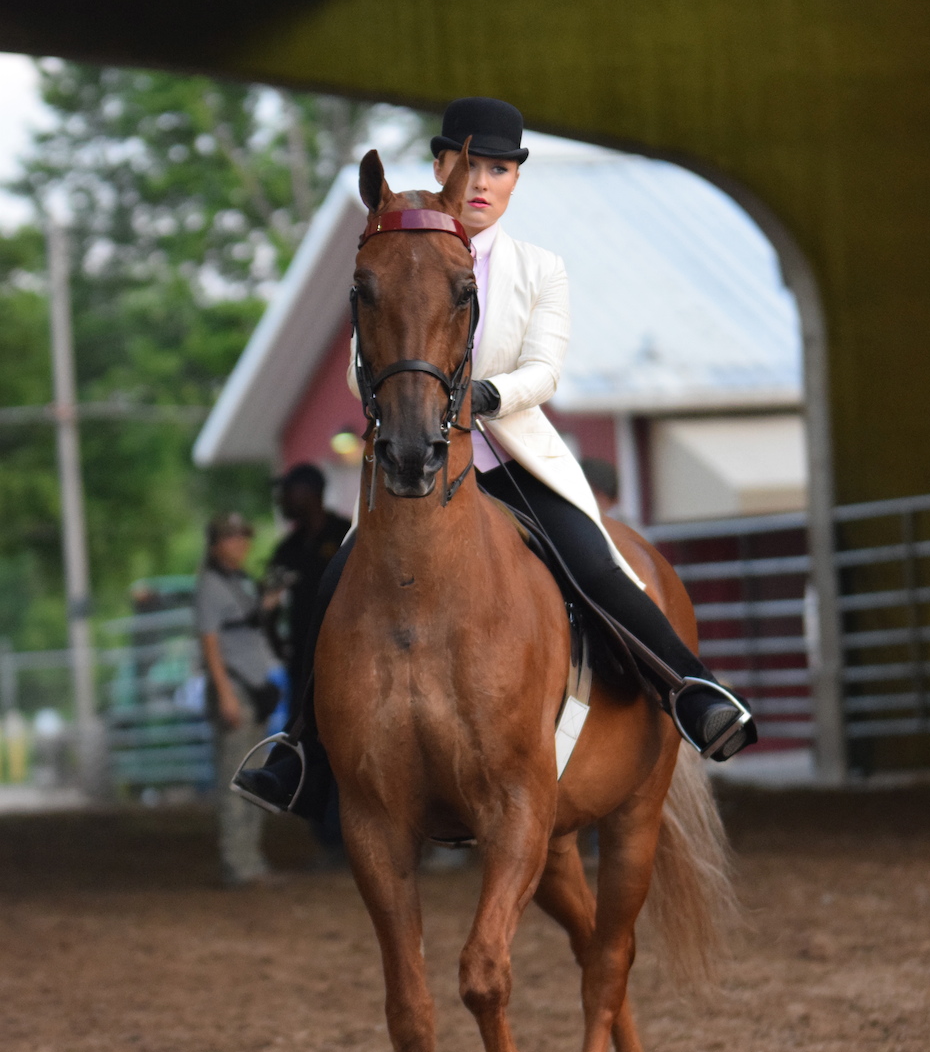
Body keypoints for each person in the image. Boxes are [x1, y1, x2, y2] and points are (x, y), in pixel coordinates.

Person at [235, 97, 756, 816]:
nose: (483, 183)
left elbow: (545, 372)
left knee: (595, 564)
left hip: (510, 461)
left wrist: (482, 396)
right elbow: (365, 362)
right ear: (442, 167)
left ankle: (693, 692)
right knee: (332, 587)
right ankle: (298, 747)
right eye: (470, 166)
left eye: (500, 170)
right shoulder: (394, 252)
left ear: (514, 181)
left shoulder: (540, 269)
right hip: (413, 466)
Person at [196, 512, 281, 885]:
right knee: (236, 778)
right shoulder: (210, 586)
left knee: (254, 776)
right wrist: (226, 694)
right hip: (236, 687)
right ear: (216, 545)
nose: (242, 545)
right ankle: (237, 861)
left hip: (254, 685)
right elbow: (209, 643)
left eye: (244, 538)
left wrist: (270, 602)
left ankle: (251, 858)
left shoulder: (239, 581)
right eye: (233, 539)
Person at [266, 463, 351, 710]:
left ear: (309, 492)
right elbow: (269, 604)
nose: (283, 500)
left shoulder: (345, 536)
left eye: (288, 492)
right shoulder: (287, 549)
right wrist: (279, 646)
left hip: (346, 657)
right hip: (303, 663)